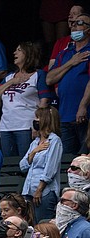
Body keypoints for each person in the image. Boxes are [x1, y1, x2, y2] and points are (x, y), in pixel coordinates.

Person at [0, 42, 51, 158]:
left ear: (28, 54)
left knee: (26, 160)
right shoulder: (10, 76)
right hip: (6, 127)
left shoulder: (38, 75)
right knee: (9, 164)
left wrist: (37, 125)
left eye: (19, 50)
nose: (15, 53)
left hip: (26, 126)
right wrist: (12, 82)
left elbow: (44, 101)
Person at [20, 106, 63, 222]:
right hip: (28, 190)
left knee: (42, 225)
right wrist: (34, 151)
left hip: (44, 192)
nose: (35, 121)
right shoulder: (35, 143)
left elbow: (51, 168)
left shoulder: (54, 141)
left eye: (38, 118)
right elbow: (23, 166)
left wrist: (39, 190)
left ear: (45, 120)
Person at [55, 12, 90, 154]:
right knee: (66, 162)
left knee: (84, 161)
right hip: (65, 115)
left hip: (85, 115)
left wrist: (82, 106)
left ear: (89, 29)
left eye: (80, 23)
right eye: (73, 23)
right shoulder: (65, 53)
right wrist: (71, 62)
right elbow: (50, 78)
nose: (74, 26)